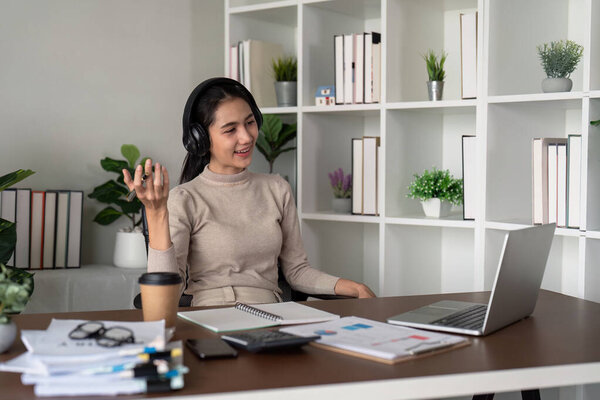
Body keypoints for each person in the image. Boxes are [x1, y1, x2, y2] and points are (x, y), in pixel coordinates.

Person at [123, 77, 375, 307]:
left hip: (272, 315)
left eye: (250, 122)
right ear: (201, 138)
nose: (246, 137)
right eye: (230, 130)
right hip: (211, 315)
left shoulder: (277, 189)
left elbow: (297, 271)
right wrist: (156, 214)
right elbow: (165, 298)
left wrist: (354, 287)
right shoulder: (185, 198)